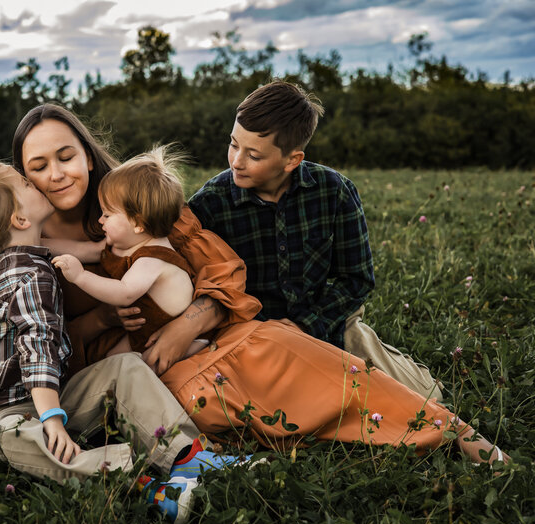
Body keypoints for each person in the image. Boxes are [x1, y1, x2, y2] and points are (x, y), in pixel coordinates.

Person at [11, 103, 509, 467]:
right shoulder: (25, 240)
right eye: (39, 166)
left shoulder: (134, 196)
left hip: (203, 339)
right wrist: (100, 317)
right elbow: (33, 343)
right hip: (134, 368)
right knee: (219, 400)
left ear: (86, 153)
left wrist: (191, 320)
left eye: (66, 155)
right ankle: (351, 430)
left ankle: (442, 426)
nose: (57, 174)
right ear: (23, 178)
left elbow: (223, 272)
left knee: (276, 343)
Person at [0, 160, 249, 524]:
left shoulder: (8, 263)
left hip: (55, 392)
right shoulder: (31, 276)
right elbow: (38, 350)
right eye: (26, 183)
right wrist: (52, 420)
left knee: (124, 367)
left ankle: (187, 455)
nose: (37, 182)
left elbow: (85, 253)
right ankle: (144, 486)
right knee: (22, 440)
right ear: (19, 220)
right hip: (2, 412)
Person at [188, 79, 443, 401]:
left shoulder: (334, 191)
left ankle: (394, 369)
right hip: (250, 334)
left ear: (292, 160)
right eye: (233, 144)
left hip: (328, 322)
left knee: (424, 400)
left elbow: (356, 279)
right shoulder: (209, 204)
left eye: (253, 155)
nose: (237, 161)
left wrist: (306, 326)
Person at [51, 146, 208, 358]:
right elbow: (87, 250)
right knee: (111, 361)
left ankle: (199, 348)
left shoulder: (153, 258)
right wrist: (37, 243)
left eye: (107, 215)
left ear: (137, 223)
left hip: (164, 329)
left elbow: (124, 293)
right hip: (143, 328)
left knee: (127, 364)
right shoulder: (127, 243)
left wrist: (80, 276)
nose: (100, 220)